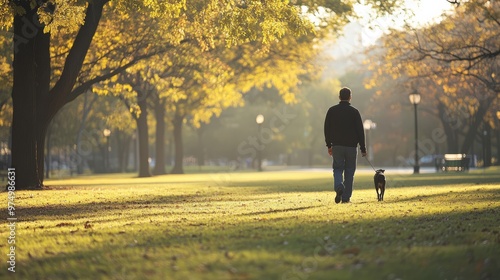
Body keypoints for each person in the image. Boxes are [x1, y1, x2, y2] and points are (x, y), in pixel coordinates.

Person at [324, 87, 367, 204]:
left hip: (337, 146)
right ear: (350, 97)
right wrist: (363, 148)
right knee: (349, 171)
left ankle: (339, 186)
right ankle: (346, 197)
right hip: (351, 147)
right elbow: (360, 131)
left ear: (339, 97)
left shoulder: (332, 111)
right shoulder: (354, 112)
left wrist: (329, 145)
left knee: (337, 168)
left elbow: (326, 129)